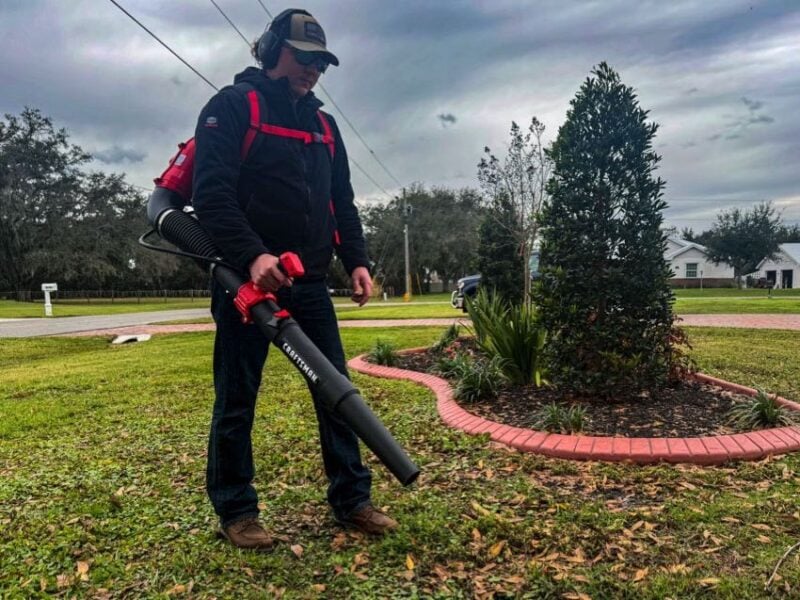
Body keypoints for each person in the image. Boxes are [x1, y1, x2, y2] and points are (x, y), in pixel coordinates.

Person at [192, 8, 397, 550]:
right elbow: (210, 196)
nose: (312, 71)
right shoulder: (231, 108)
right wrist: (253, 255)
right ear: (272, 50)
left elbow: (341, 201)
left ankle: (352, 500)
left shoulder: (325, 127)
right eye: (303, 58)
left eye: (320, 64)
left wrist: (356, 259)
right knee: (237, 397)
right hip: (246, 282)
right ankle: (237, 512)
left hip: (307, 284)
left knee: (337, 393)